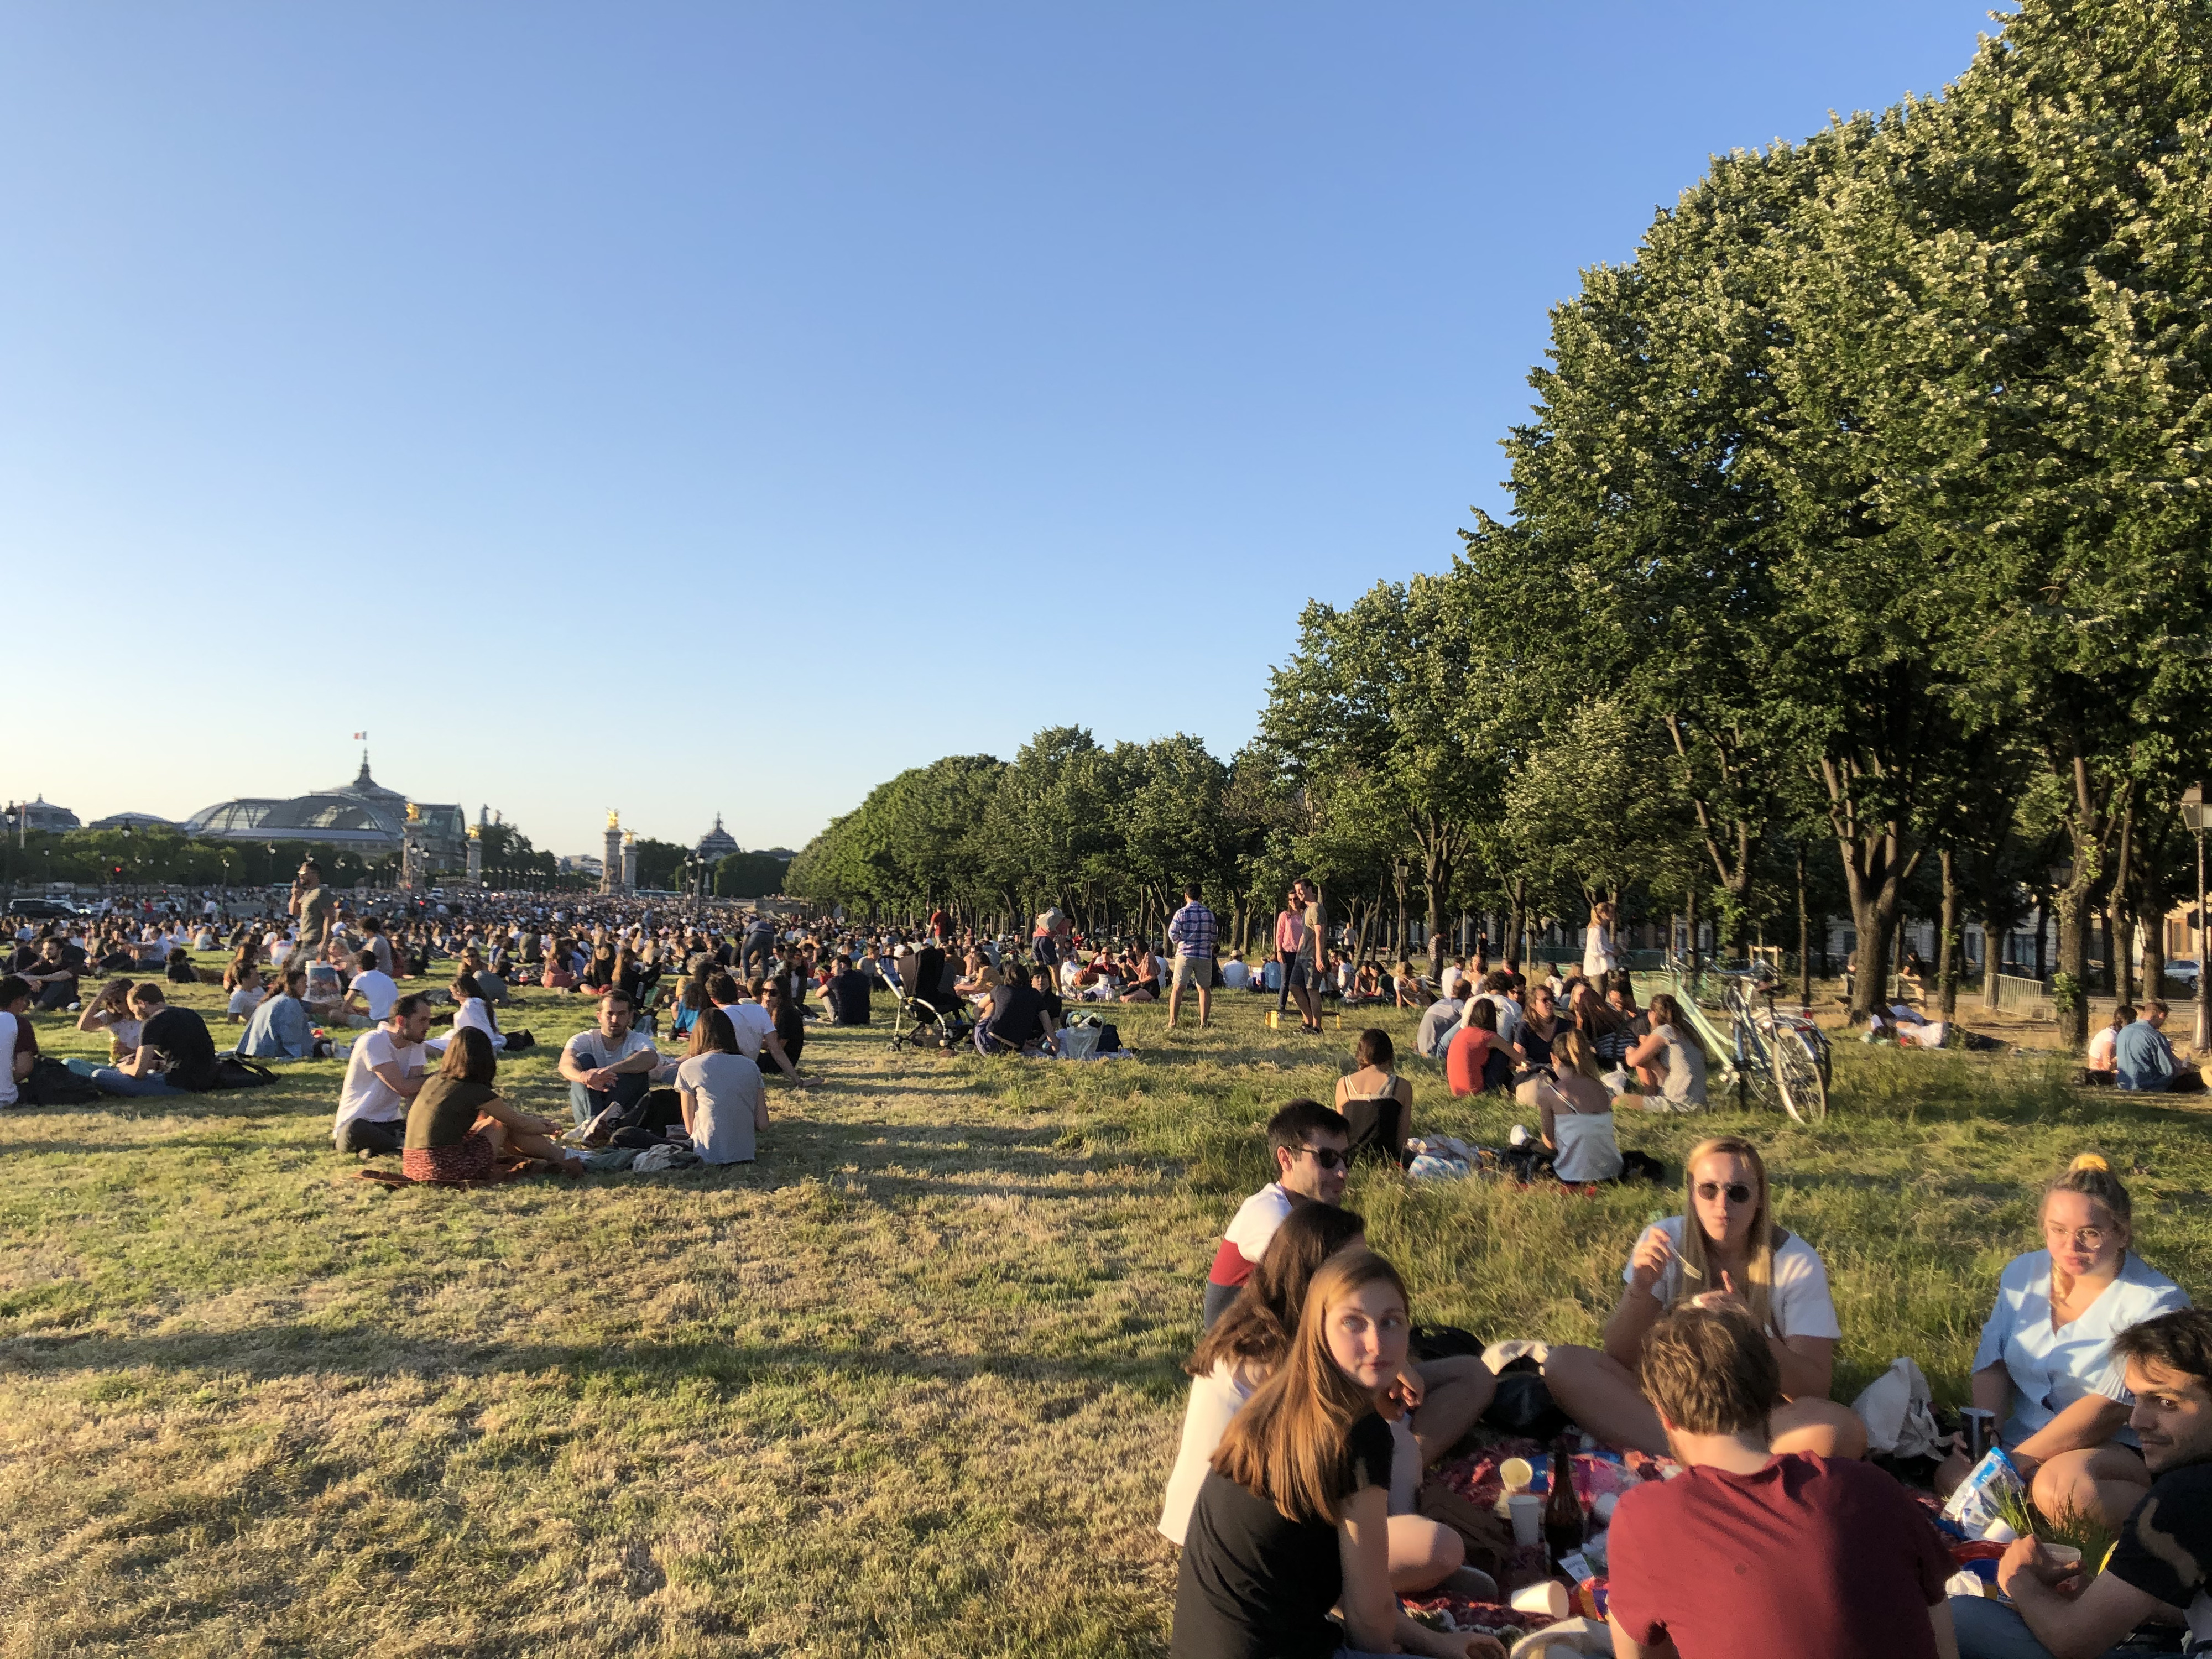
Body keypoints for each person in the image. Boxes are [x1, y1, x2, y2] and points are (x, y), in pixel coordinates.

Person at [1170, 1248, 1503, 1659]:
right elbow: (1368, 1622)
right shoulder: (1357, 1432)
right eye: (1353, 1323)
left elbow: (1349, 1587)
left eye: (1391, 1322)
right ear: (1318, 1330)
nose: (1377, 1342)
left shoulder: (1278, 1400)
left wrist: (1435, 1643)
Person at [1604, 1301, 1957, 1659]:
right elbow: (1943, 1641)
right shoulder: (1872, 1489)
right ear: (1770, 1394)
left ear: (1665, 1417)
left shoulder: (1646, 1518)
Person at [1542, 1135, 1866, 1460]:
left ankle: (1696, 1459)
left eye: (1738, 1193)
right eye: (1708, 1190)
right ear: (1692, 1193)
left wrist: (1754, 1331)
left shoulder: (1795, 1260)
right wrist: (1640, 1289)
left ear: (1760, 1200)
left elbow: (1815, 1387)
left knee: (1838, 1429)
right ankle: (1726, 1463)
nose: (1722, 1205)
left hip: (1755, 1418)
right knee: (1564, 1364)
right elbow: (1619, 1355)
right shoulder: (1666, 1240)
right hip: (1673, 1409)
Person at [1937, 1154, 2190, 1532]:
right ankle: (2024, 1522)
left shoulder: (2155, 1302)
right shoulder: (2023, 1272)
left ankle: (2170, 1519)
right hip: (2023, 1435)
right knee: (1955, 1477)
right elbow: (1993, 1360)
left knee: (2062, 1491)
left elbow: (2110, 1408)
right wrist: (1986, 1439)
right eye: (2058, 1230)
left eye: (2090, 1233)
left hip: (2114, 1445)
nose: (2071, 1246)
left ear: (2122, 1233)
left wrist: (2010, 1465)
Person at [1971, 1308, 2212, 1659]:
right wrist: (2115, 1596)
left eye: (2165, 1402)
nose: (2137, 1420)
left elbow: (2074, 1642)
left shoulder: (2186, 1495)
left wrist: (2019, 1580)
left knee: (1966, 1618)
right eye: (2136, 1398)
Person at [1202, 1099, 1350, 1327]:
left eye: (1345, 1158)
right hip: (1243, 1351)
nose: (1342, 1172)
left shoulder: (1312, 1215)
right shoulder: (1269, 1214)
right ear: (1286, 1159)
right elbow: (1321, 1296)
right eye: (1328, 1159)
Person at [402, 1027, 576, 1182]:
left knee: (490, 1119)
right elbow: (516, 1122)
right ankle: (562, 1155)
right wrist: (548, 1127)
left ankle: (558, 1154)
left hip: (412, 1166)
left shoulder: (434, 1080)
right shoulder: (472, 1089)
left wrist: (537, 1124)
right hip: (444, 1168)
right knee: (501, 1123)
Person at [332, 995, 435, 1154]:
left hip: (388, 1124)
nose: (428, 1026)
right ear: (401, 1021)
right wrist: (441, 1075)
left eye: (429, 1020)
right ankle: (398, 1147)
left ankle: (385, 1148)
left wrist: (414, 1126)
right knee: (355, 1129)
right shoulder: (373, 1042)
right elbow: (403, 1088)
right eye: (422, 1020)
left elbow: (413, 1094)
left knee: (425, 1126)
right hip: (357, 1124)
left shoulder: (416, 1045)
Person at [1528, 1028, 1626, 1184]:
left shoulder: (1551, 1093)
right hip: (1611, 1170)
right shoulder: (1602, 1088)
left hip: (1572, 1174)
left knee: (1521, 1137)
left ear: (1554, 1059)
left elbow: (1550, 1143)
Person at [675, 1007, 768, 1165]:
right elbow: (763, 1124)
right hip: (745, 1154)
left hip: (706, 1153)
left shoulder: (689, 1067)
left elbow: (690, 1128)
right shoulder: (751, 1066)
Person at [90, 985, 222, 1096]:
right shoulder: (190, 1014)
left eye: (134, 1010)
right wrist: (155, 1064)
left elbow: (139, 1073)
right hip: (207, 1080)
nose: (136, 1016)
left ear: (141, 1004)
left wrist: (124, 1068)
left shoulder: (151, 1023)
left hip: (177, 1086)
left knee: (99, 1075)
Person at [560, 989, 666, 1126]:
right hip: (589, 1105)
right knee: (583, 1060)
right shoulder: (584, 1039)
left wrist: (606, 1071)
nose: (615, 1020)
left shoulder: (638, 1040)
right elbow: (565, 1063)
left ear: (630, 1017)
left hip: (621, 1109)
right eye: (610, 1014)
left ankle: (603, 1126)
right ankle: (594, 1124)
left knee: (636, 1064)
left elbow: (651, 1058)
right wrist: (584, 1077)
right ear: (599, 1017)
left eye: (621, 1014)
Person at [1334, 1029, 1414, 1166]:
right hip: (1389, 1160)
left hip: (1351, 1161)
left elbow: (1341, 1135)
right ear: (1390, 1056)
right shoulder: (1402, 1086)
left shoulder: (1344, 1085)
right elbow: (1402, 1140)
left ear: (1360, 1055)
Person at [1624, 990, 1708, 1110]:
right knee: (1644, 1050)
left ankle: (1650, 1097)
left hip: (1677, 1102)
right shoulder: (1687, 1030)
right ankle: (1651, 1096)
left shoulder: (1665, 1031)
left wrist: (1631, 1052)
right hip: (1698, 1102)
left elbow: (1632, 1061)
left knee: (1619, 1101)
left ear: (1653, 1014)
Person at [236, 968, 328, 1060]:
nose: (307, 986)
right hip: (270, 1051)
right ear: (292, 985)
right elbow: (292, 1040)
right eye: (303, 982)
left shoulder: (275, 1000)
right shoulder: (290, 1004)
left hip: (253, 1049)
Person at [2115, 1000, 2201, 1092]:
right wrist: (2186, 1069)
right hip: (2149, 1085)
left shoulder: (2124, 1031)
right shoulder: (2155, 1037)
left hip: (2124, 1083)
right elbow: (2168, 1072)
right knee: (2198, 1078)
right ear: (2162, 1015)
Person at [1166, 884, 1218, 1031]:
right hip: (1204, 955)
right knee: (1204, 989)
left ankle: (1173, 1022)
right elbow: (1214, 936)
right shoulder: (1209, 914)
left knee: (1178, 988)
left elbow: (1172, 933)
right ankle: (1204, 1023)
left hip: (1186, 954)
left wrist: (1180, 942)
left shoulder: (1181, 913)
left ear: (1186, 896)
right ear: (1201, 896)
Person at [1444, 999, 1511, 1097]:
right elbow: (1517, 1058)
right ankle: (1513, 1088)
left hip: (1457, 1092)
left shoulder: (1461, 1033)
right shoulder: (1487, 1036)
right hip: (1477, 1092)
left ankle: (1512, 1088)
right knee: (1501, 1056)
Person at [76, 977, 144, 1062]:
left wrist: (128, 1050)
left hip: (137, 1066)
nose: (115, 1005)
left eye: (118, 1001)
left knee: (98, 1074)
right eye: (110, 1001)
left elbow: (153, 1053)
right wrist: (100, 997)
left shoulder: (143, 1019)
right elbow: (83, 1026)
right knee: (70, 1062)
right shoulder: (111, 1016)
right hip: (116, 1066)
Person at [288, 860, 333, 978]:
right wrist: (296, 894)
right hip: (304, 939)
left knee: (297, 973)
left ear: (314, 874)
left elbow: (329, 917)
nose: (300, 875)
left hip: (314, 940)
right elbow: (294, 912)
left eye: (304, 873)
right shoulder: (308, 894)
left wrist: (325, 941)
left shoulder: (321, 893)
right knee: (293, 970)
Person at [1415, 977, 1467, 1060]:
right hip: (1434, 1051)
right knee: (1469, 1018)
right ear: (1467, 994)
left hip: (1423, 1048)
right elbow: (1468, 1014)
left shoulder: (1442, 1002)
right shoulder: (1458, 1003)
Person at [2084, 1004, 2131, 1084]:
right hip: (2099, 1074)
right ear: (2125, 1021)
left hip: (2103, 1071)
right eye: (2134, 1020)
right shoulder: (2110, 1037)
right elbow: (2107, 1066)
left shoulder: (2115, 1034)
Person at [822, 954, 873, 1026]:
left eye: (834, 968)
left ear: (842, 965)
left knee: (826, 995)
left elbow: (819, 993)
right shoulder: (864, 977)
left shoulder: (836, 980)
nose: (832, 971)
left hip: (844, 1021)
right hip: (864, 1020)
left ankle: (835, 1018)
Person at [1583, 899, 1619, 981]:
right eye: (1611, 912)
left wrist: (1614, 948)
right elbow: (1595, 949)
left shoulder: (1600, 929)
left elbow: (1603, 946)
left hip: (1600, 970)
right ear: (1604, 914)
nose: (1614, 915)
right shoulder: (1596, 929)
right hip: (1597, 971)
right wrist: (1612, 953)